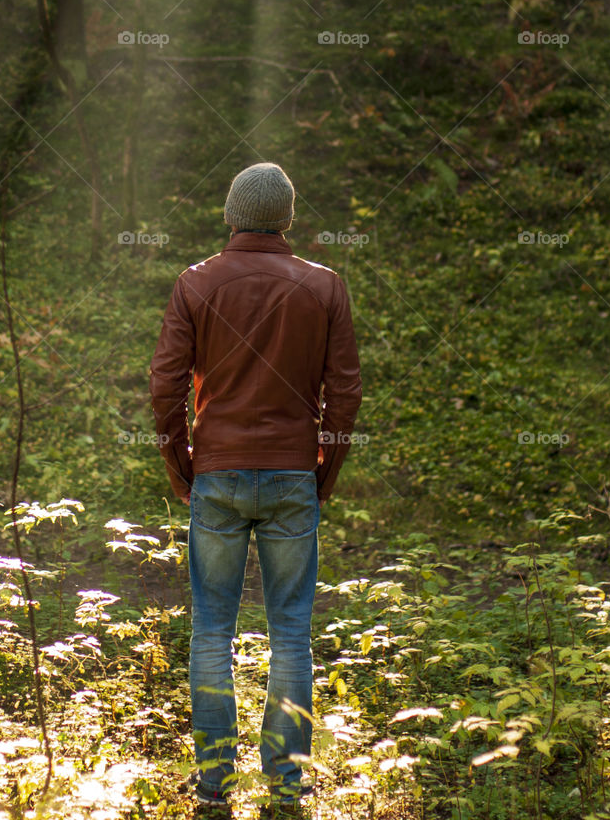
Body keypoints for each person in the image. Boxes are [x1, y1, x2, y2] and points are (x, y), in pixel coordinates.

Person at [149, 161, 362, 813]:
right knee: (290, 631)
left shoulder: (196, 282)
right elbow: (344, 393)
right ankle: (284, 786)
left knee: (211, 628)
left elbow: (164, 386)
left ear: (230, 214)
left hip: (215, 471)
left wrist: (180, 463)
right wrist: (324, 468)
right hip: (293, 474)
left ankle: (213, 784)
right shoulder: (324, 286)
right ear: (288, 219)